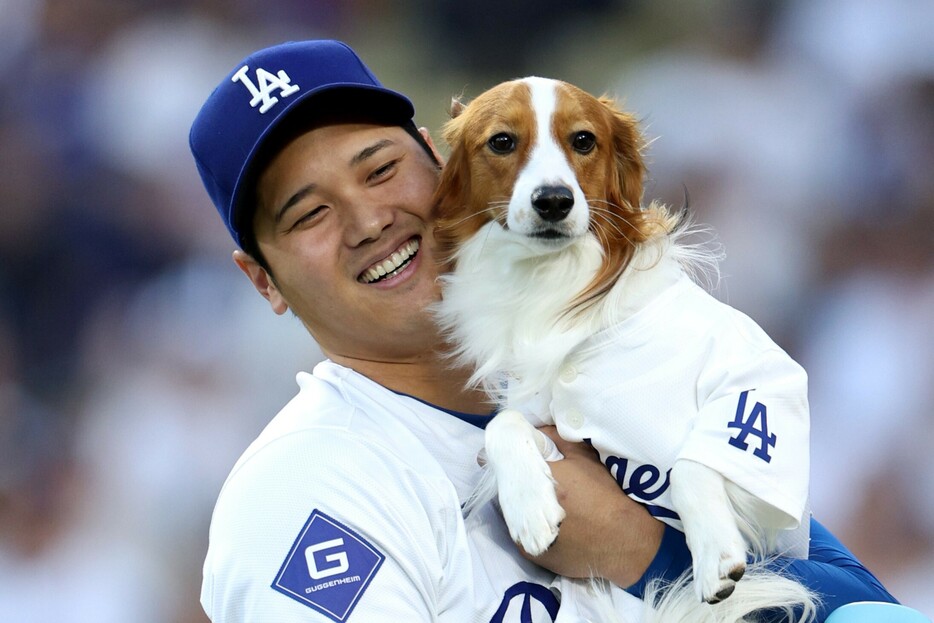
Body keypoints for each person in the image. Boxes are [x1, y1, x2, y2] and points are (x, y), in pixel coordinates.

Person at [189, 39, 898, 622]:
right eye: (309, 214)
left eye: (380, 170)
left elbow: (866, 606)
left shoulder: (622, 359)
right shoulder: (310, 484)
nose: (369, 221)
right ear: (262, 279)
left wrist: (645, 556)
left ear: (444, 167)